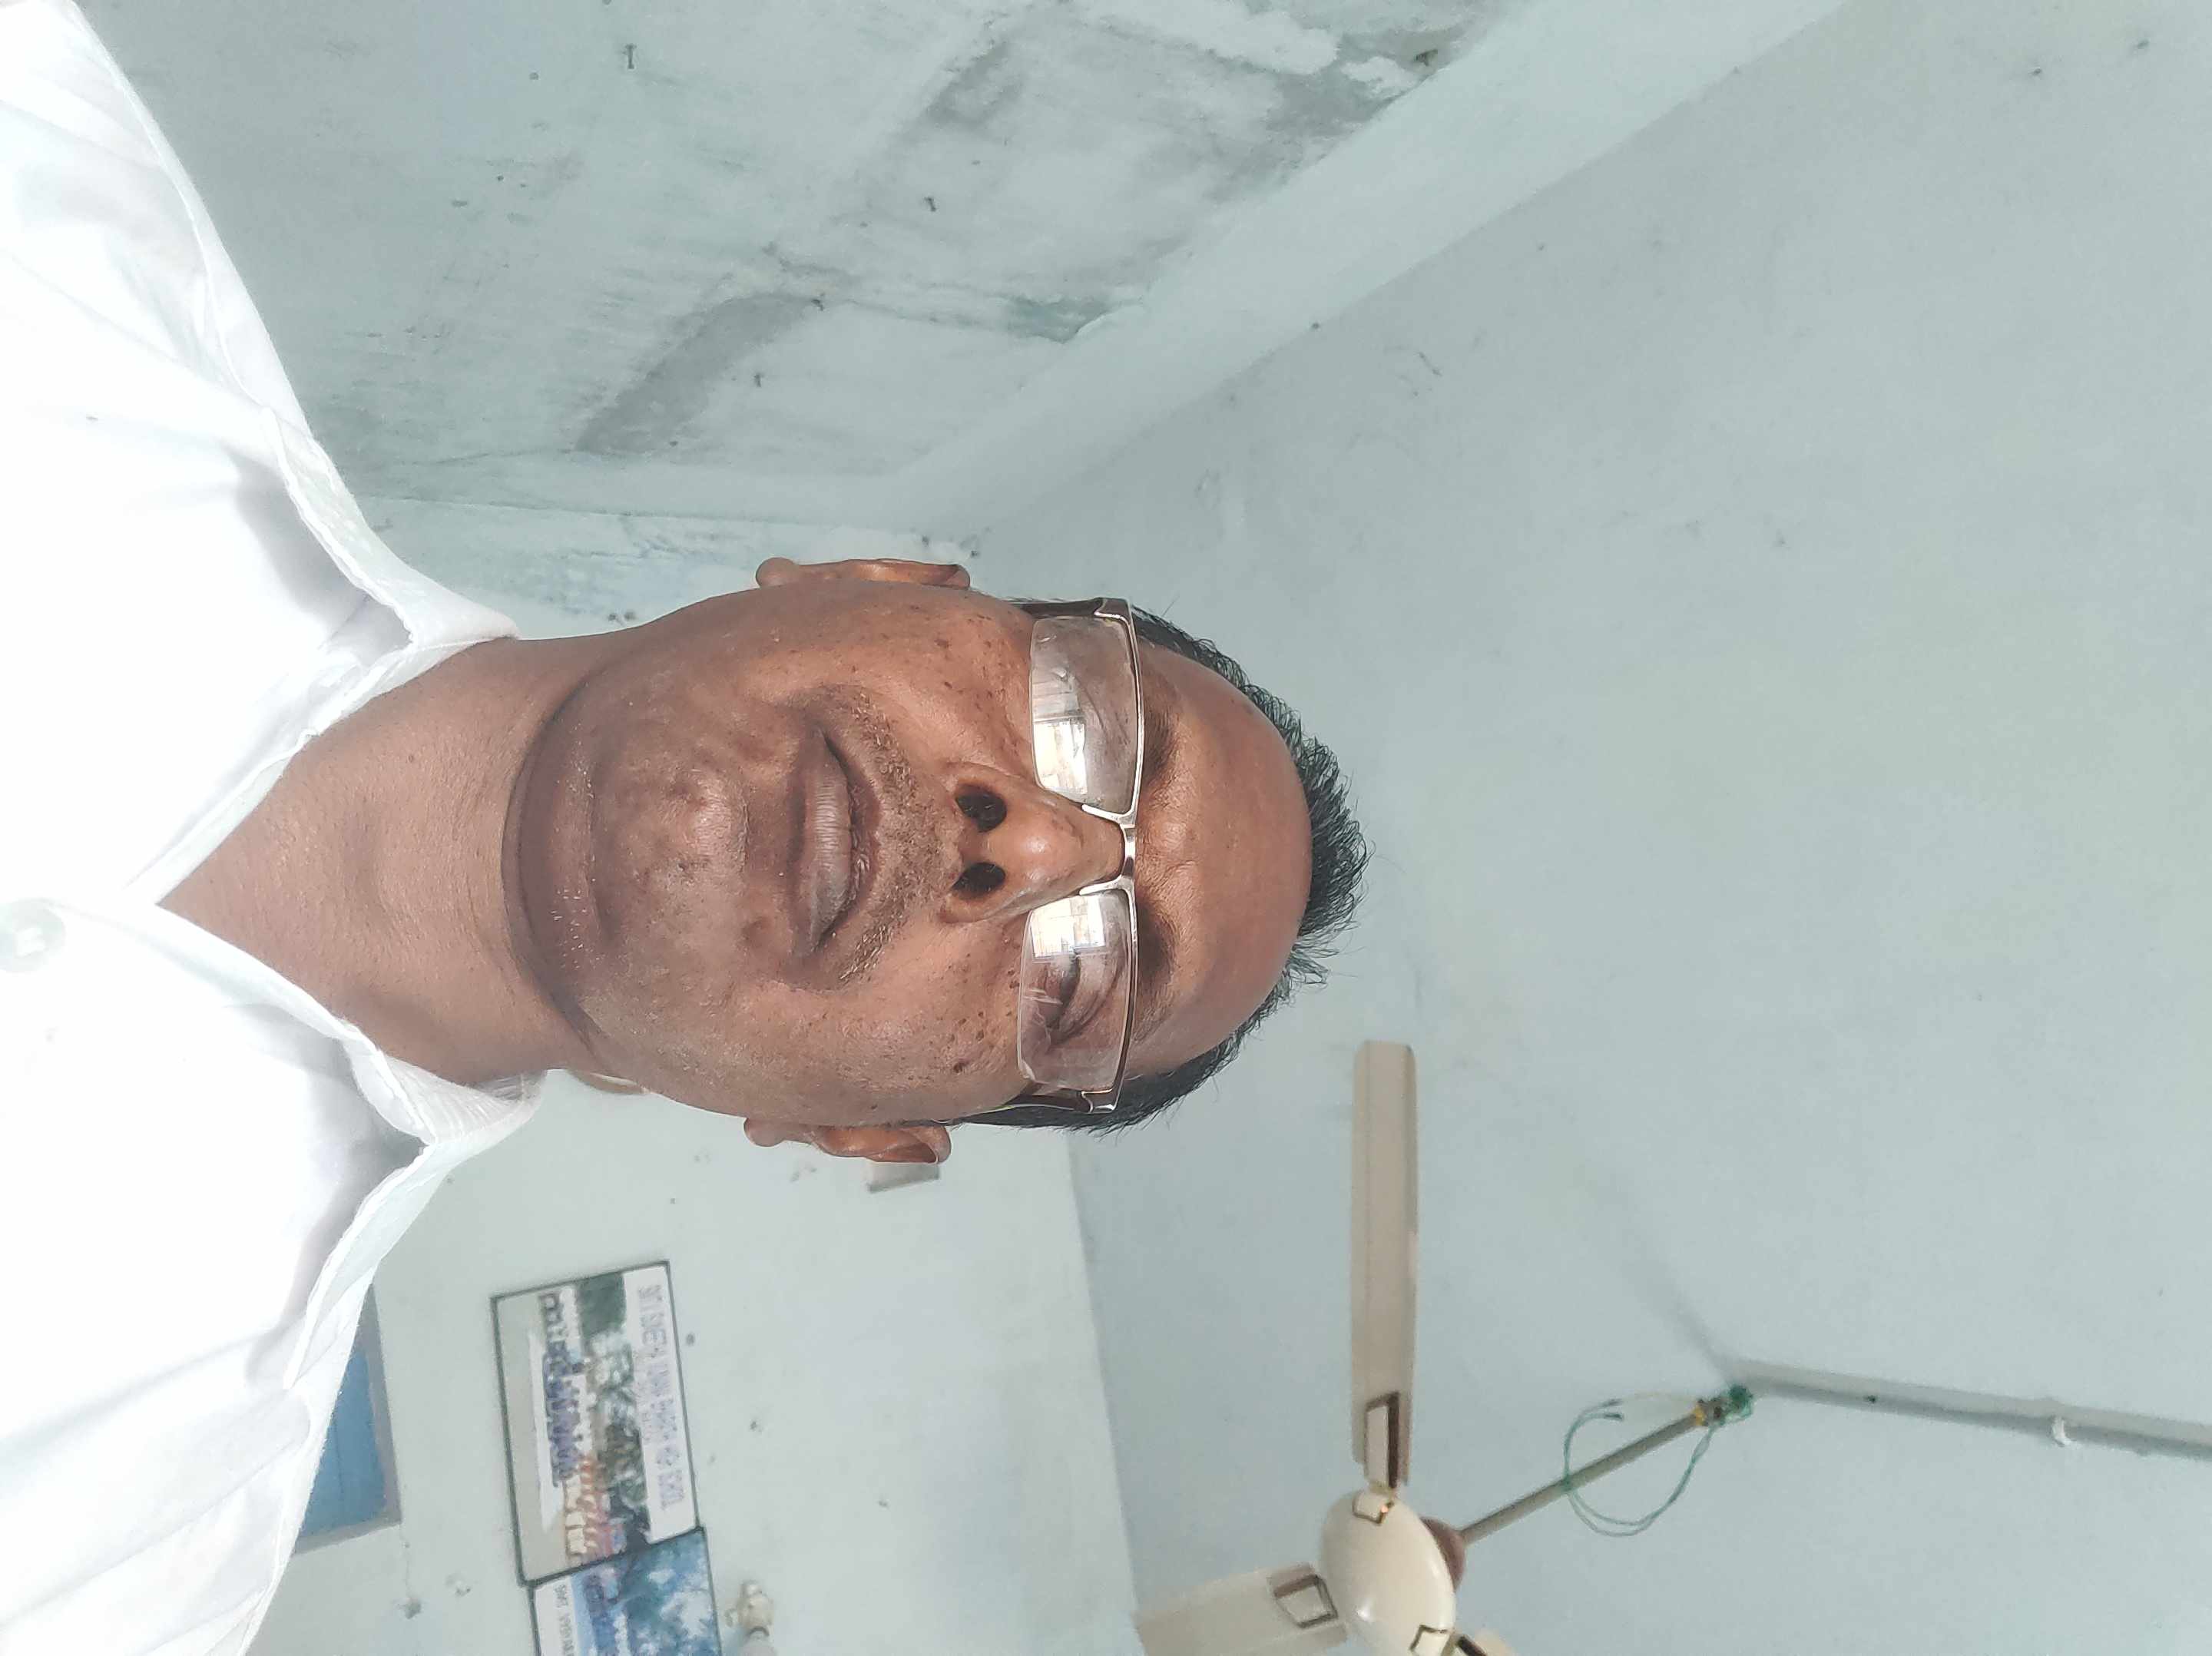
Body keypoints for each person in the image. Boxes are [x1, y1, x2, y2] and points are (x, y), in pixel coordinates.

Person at [0, 3, 1366, 1651]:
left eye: (1081, 978)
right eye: (1088, 721)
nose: (1031, 851)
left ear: (860, 1129)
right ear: (871, 577)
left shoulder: (132, 1540)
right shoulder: (52, 227)